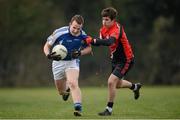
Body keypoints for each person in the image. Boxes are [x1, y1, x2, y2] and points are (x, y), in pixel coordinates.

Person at [85, 7, 142, 116]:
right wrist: (88, 41)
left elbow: (109, 42)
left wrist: (92, 40)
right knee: (117, 84)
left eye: (107, 19)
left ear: (113, 20)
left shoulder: (117, 29)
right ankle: (135, 87)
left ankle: (109, 110)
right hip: (115, 60)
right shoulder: (103, 29)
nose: (104, 22)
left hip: (126, 59)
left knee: (111, 82)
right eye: (103, 19)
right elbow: (100, 41)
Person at [43, 15, 92, 116]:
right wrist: (48, 55)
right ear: (70, 24)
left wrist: (80, 53)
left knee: (73, 83)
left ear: (81, 27)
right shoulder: (59, 32)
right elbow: (46, 46)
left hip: (72, 61)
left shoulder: (83, 35)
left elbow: (89, 49)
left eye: (78, 28)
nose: (75, 30)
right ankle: (66, 92)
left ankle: (78, 108)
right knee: (61, 92)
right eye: (74, 27)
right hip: (58, 63)